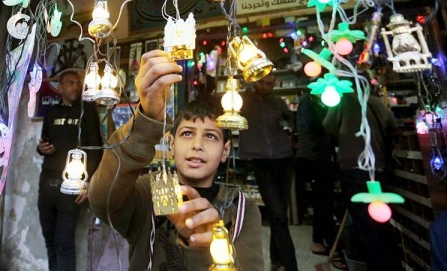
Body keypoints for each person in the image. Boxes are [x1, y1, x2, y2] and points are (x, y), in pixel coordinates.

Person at [89, 50, 264, 271]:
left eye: (210, 136)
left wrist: (213, 249)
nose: (197, 145)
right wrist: (146, 120)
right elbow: (101, 201)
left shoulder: (241, 210)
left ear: (225, 150)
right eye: (187, 134)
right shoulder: (148, 191)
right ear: (171, 145)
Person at [323, 92, 400, 270]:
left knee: (364, 225)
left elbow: (328, 125)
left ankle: (376, 266)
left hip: (354, 168)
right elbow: (391, 126)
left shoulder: (342, 101)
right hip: (377, 168)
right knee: (379, 222)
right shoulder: (377, 102)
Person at [36, 69, 102, 271]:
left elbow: (96, 149)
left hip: (72, 187)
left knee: (64, 243)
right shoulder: (51, 113)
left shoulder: (87, 111)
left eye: (78, 83)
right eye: (71, 83)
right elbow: (44, 142)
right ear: (61, 87)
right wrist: (41, 149)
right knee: (50, 241)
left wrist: (89, 182)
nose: (76, 87)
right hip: (46, 185)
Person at [238, 73, 297, 271]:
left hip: (284, 159)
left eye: (269, 84)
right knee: (278, 214)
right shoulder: (243, 100)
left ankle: (276, 260)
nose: (264, 86)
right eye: (261, 82)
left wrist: (288, 128)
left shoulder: (277, 102)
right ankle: (290, 265)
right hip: (261, 162)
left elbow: (292, 120)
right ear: (255, 81)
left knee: (278, 215)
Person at [295, 93, 345, 269]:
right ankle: (332, 246)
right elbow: (318, 126)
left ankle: (319, 242)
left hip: (321, 159)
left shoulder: (316, 103)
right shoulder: (308, 104)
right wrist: (333, 112)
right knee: (324, 202)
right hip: (314, 159)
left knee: (322, 202)